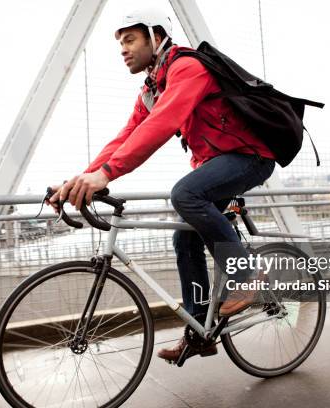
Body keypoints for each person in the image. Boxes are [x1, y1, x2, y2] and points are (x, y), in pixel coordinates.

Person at [48, 6, 276, 361]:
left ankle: (246, 274)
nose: (123, 48)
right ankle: (200, 331)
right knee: (184, 236)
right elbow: (125, 137)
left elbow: (163, 124)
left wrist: (106, 174)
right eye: (120, 43)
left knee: (185, 194)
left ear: (156, 37)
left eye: (130, 39)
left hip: (251, 157)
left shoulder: (189, 68)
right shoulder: (151, 89)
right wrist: (81, 178)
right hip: (217, 163)